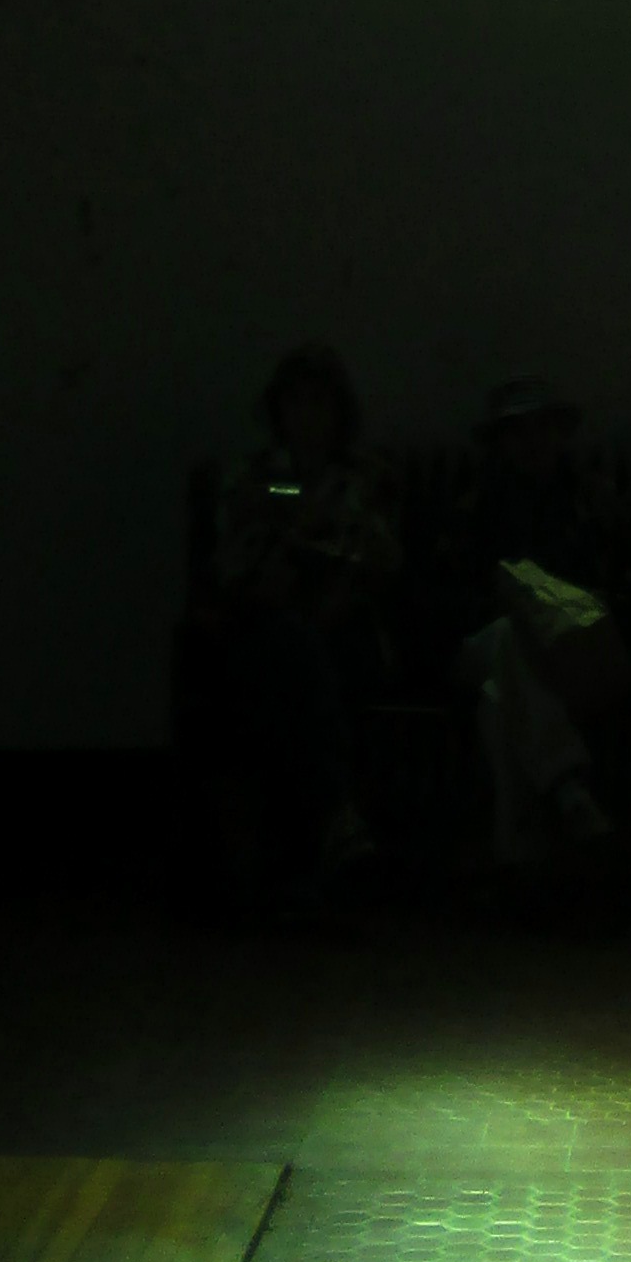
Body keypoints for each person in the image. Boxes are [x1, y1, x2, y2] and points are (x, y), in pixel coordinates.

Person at [210, 341, 398, 912]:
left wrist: (340, 559)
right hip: (272, 626)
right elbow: (234, 566)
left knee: (310, 660)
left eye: (319, 402)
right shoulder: (256, 477)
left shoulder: (364, 477)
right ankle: (337, 827)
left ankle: (301, 863)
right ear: (278, 410)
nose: (307, 415)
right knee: (290, 651)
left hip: (344, 626)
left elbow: (382, 561)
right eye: (295, 402)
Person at [457, 375, 631, 890]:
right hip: (489, 642)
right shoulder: (479, 506)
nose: (533, 442)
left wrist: (579, 604)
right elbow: (447, 594)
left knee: (499, 697)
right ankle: (567, 788)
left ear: (560, 434)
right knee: (506, 638)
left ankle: (520, 859)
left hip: (573, 649)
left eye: (542, 428)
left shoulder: (592, 499)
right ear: (501, 442)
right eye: (518, 431)